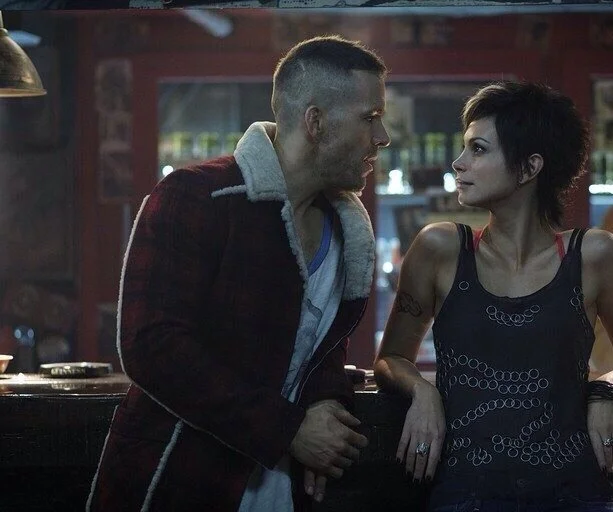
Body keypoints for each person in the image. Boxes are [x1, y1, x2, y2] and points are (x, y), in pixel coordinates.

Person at [86, 35, 390, 511]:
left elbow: (320, 349)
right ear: (315, 122)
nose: (383, 136)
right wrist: (288, 430)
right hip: (177, 481)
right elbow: (151, 346)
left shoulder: (346, 229)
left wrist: (325, 399)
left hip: (282, 493)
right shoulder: (195, 195)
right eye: (370, 117)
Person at [374, 80, 613, 511]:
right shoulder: (441, 248)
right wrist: (422, 392)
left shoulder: (592, 255)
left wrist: (603, 391)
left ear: (529, 167)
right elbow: (391, 357)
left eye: (478, 149)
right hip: (462, 494)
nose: (458, 162)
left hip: (575, 493)